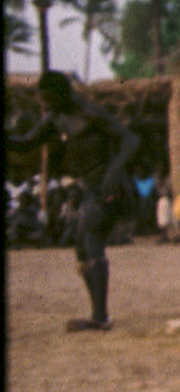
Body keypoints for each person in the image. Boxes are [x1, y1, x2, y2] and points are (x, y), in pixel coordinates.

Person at [7, 71, 139, 330]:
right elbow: (25, 143)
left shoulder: (90, 113)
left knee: (90, 234)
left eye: (49, 98)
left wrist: (114, 172)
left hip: (110, 186)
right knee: (81, 247)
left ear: (62, 93)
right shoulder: (55, 119)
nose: (46, 104)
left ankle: (100, 318)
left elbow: (131, 140)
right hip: (90, 187)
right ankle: (99, 315)